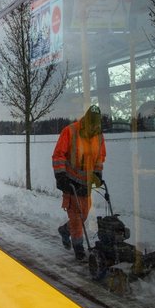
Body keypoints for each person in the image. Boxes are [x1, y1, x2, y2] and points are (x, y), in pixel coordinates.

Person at [52, 105, 106, 261]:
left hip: (86, 183)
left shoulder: (99, 136)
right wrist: (61, 176)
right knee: (76, 218)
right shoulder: (70, 131)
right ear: (86, 120)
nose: (94, 127)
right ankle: (78, 247)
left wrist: (97, 173)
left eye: (97, 124)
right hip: (70, 182)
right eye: (92, 123)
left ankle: (64, 230)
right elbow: (58, 155)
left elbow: (99, 158)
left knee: (83, 215)